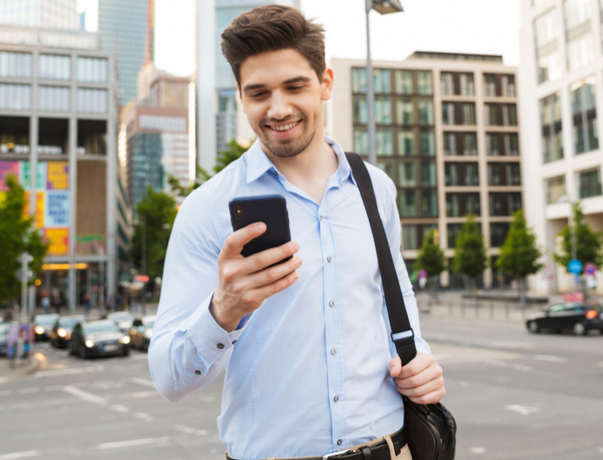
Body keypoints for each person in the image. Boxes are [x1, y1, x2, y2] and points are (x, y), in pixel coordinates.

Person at [148, 6, 442, 459]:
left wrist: (418, 356)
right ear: (241, 97)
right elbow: (168, 380)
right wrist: (222, 310)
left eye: (294, 86)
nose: (278, 108)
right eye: (259, 93)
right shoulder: (206, 209)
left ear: (325, 83)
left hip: (391, 449)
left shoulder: (376, 189)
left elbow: (394, 296)